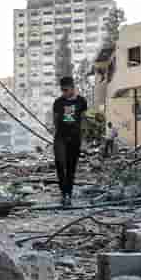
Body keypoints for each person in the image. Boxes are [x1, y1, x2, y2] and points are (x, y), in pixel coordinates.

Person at [52, 76, 89, 208]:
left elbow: (84, 120)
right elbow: (55, 120)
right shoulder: (58, 102)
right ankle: (64, 193)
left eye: (66, 89)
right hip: (60, 138)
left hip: (75, 138)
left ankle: (69, 194)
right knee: (60, 165)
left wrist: (84, 140)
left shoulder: (81, 101)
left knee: (71, 167)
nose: (64, 92)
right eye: (62, 90)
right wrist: (57, 134)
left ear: (73, 87)